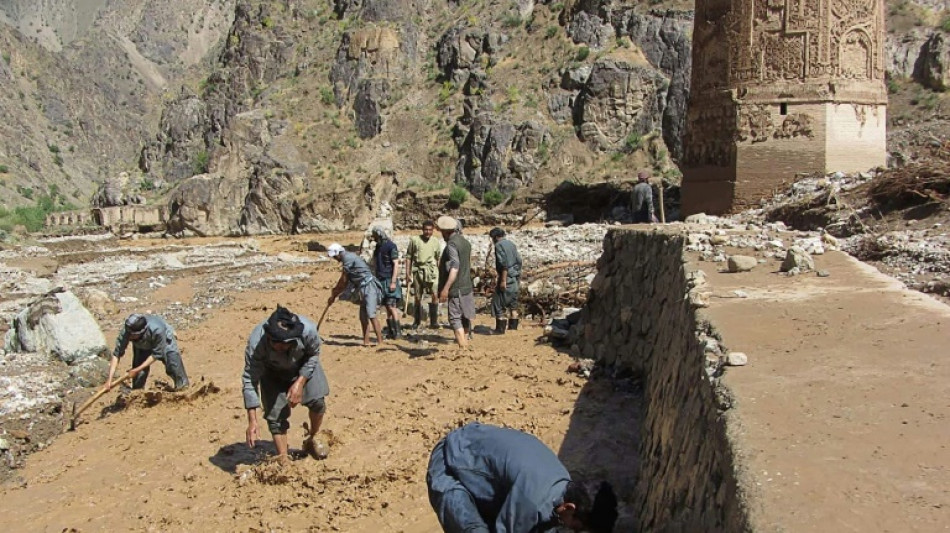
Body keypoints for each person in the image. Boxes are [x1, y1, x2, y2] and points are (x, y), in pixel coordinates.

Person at [427, 422, 618, 533]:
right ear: (570, 508)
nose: (574, 531)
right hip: (450, 464)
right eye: (577, 528)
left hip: (478, 455)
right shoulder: (533, 502)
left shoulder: (562, 484)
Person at [242, 306, 330, 462]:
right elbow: (249, 379)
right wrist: (252, 420)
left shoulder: (308, 330)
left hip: (303, 365)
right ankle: (283, 459)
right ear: (269, 337)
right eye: (277, 343)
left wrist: (300, 382)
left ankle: (313, 437)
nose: (281, 347)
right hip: (271, 372)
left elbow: (314, 354)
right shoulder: (256, 344)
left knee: (318, 403)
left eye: (287, 343)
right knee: (275, 418)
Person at [106, 313, 189, 391]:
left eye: (132, 335)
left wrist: (136, 370)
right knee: (139, 375)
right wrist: (109, 380)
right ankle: (137, 395)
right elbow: (116, 355)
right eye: (128, 334)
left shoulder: (157, 330)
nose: (129, 337)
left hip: (164, 340)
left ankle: (182, 388)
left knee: (173, 364)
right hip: (141, 346)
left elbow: (156, 355)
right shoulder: (127, 331)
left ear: (141, 332)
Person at [327, 242, 385, 347]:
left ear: (338, 253)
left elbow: (344, 280)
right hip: (361, 288)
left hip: (369, 287)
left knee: (371, 314)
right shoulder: (347, 258)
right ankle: (366, 342)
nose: (335, 259)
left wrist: (334, 294)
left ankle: (380, 342)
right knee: (363, 316)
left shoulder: (348, 258)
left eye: (335, 256)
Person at [436, 216, 475, 349]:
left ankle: (463, 348)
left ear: (446, 232)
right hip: (466, 286)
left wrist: (446, 289)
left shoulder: (452, 244)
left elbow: (455, 267)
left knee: (454, 318)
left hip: (456, 287)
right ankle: (466, 344)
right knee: (465, 316)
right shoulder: (465, 242)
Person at [405, 220, 442, 329]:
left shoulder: (435, 241)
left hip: (431, 270)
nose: (427, 232)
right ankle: (417, 321)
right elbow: (408, 257)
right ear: (422, 229)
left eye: (430, 230)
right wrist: (407, 272)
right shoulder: (415, 240)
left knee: (435, 294)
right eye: (426, 229)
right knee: (417, 296)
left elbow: (438, 258)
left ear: (433, 231)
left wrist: (441, 273)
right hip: (418, 270)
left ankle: (434, 321)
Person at [370, 226, 404, 339]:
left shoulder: (391, 246)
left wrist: (393, 281)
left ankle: (398, 332)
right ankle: (391, 331)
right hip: (380, 279)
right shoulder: (378, 247)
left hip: (389, 279)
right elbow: (375, 262)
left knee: (391, 306)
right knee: (386, 306)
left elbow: (395, 264)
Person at [489, 227, 523, 334]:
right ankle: (513, 329)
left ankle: (500, 329)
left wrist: (503, 280)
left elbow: (503, 265)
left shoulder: (499, 246)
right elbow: (519, 260)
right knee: (513, 304)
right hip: (514, 276)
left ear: (496, 237)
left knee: (497, 302)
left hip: (506, 277)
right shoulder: (511, 244)